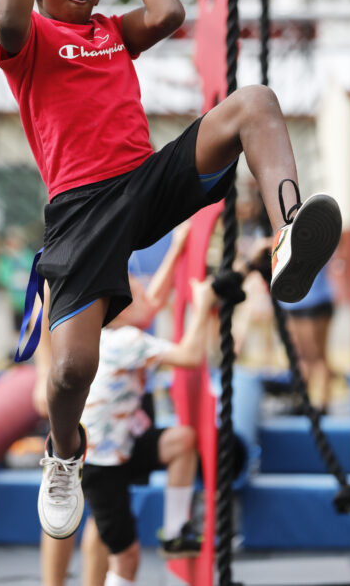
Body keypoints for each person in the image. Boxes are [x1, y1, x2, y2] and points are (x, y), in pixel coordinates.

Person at [0, 0, 342, 540]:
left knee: (253, 104)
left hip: (145, 180)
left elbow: (168, 14)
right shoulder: (31, 41)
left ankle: (287, 230)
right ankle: (65, 451)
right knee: (70, 369)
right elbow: (7, 18)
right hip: (81, 210)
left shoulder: (109, 33)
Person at [35, 224, 208, 586]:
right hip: (93, 444)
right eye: (137, 284)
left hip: (114, 439)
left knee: (104, 525)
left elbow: (148, 304)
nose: (144, 287)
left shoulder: (118, 326)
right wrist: (205, 308)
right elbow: (47, 313)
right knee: (81, 521)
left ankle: (163, 537)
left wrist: (177, 250)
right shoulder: (119, 332)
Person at [278, 264, 336, 415]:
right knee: (301, 358)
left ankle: (321, 403)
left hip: (310, 301)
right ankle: (303, 401)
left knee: (314, 357)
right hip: (298, 301)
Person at [0, 227, 35, 332]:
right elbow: (1, 275)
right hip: (13, 298)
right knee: (15, 327)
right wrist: (12, 278)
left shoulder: (28, 255)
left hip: (28, 297)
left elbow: (34, 270)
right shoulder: (5, 258)